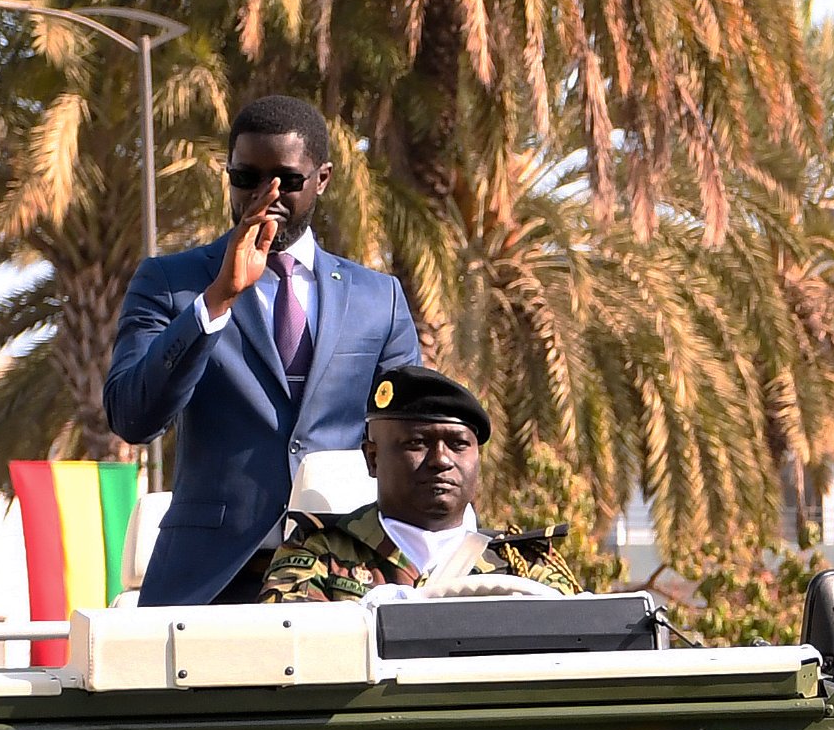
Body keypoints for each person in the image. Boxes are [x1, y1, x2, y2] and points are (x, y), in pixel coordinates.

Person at [102, 96, 426, 605]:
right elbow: (132, 417)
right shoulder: (171, 283)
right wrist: (215, 301)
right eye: (246, 178)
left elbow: (412, 433)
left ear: (323, 179)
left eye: (287, 180)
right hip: (208, 583)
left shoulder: (376, 298)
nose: (265, 196)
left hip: (344, 583)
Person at [257, 369, 583, 599]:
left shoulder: (523, 563)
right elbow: (290, 649)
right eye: (417, 443)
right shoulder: (318, 554)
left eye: (458, 445)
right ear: (373, 458)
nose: (441, 460)